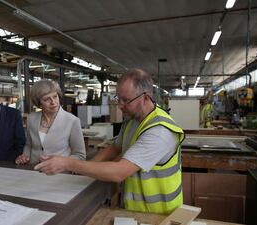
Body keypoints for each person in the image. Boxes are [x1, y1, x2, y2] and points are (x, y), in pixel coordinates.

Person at [35, 69, 185, 214]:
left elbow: (119, 172)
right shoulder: (133, 119)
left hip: (159, 214)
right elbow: (114, 148)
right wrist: (85, 171)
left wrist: (67, 163)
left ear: (145, 98)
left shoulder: (159, 131)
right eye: (118, 99)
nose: (120, 105)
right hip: (136, 208)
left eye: (126, 100)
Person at [15, 80, 86, 165]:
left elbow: (80, 155)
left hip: (59, 173)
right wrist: (24, 157)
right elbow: (29, 145)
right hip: (34, 171)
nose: (53, 102)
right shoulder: (31, 118)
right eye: (46, 99)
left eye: (55, 96)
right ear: (39, 103)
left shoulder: (72, 121)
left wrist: (60, 162)